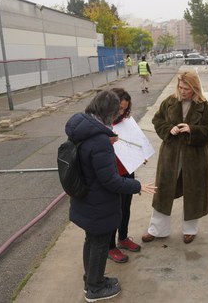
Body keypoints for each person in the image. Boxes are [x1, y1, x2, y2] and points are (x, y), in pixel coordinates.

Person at [64, 90, 155, 302]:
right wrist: (137, 185)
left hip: (86, 199)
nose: (118, 116)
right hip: (99, 203)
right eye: (117, 112)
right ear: (110, 112)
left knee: (92, 241)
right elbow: (110, 180)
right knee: (99, 244)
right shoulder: (99, 140)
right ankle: (94, 289)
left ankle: (92, 279)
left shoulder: (83, 128)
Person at [142, 71, 208, 244]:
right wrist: (169, 129)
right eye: (180, 87)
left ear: (195, 88)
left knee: (193, 192)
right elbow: (157, 120)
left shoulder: (205, 107)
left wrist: (192, 129)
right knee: (162, 192)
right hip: (170, 156)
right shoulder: (169, 102)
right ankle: (156, 229)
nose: (183, 91)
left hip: (195, 158)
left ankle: (190, 230)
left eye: (187, 88)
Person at [107, 88, 142, 263]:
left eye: (124, 109)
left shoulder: (125, 122)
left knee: (125, 207)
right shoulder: (101, 124)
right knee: (114, 210)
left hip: (127, 170)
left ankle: (123, 237)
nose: (121, 112)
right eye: (119, 108)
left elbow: (134, 143)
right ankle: (110, 247)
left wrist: (139, 156)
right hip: (112, 174)